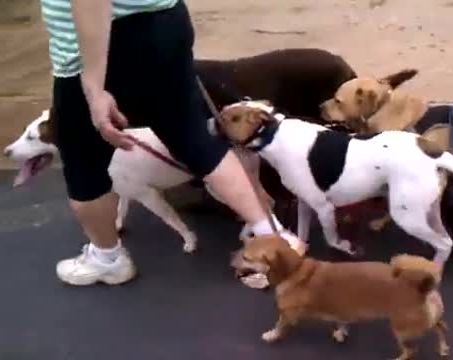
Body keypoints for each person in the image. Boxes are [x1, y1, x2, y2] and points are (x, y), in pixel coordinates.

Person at [41, 0, 301, 286]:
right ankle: (273, 237)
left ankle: (107, 258)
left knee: (84, 165)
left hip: (105, 44)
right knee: (194, 138)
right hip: (164, 19)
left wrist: (94, 86)